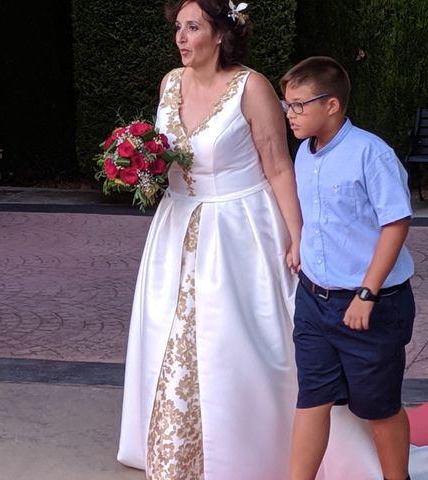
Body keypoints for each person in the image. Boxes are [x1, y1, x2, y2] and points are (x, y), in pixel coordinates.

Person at [117, 0, 303, 478]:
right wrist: (141, 168)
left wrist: (298, 235)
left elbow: (278, 165)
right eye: (178, 27)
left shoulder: (252, 87)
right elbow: (166, 153)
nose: (181, 37)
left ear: (220, 34)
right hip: (175, 226)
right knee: (169, 333)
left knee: (236, 343)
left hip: (239, 230)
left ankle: (251, 452)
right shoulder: (169, 83)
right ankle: (177, 451)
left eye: (193, 27)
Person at [280, 56, 428, 480]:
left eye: (299, 105)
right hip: (314, 302)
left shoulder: (371, 153)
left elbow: (396, 223)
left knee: (378, 406)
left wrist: (366, 294)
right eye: (287, 105)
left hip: (370, 306)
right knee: (311, 398)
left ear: (331, 105)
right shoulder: (304, 153)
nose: (290, 115)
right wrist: (300, 245)